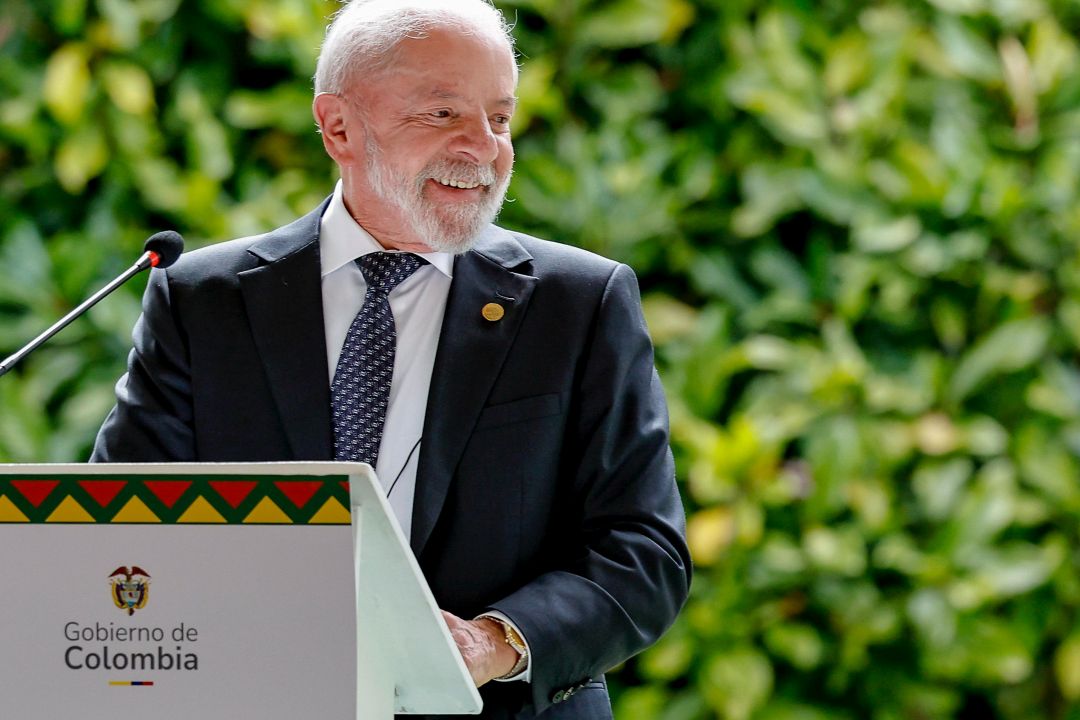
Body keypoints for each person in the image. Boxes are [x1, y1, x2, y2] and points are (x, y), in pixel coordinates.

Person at [90, 0, 691, 717]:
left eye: (500, 118)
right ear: (339, 126)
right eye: (442, 114)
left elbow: (643, 549)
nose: (484, 147)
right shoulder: (202, 299)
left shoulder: (580, 302)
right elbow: (122, 524)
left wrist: (494, 642)